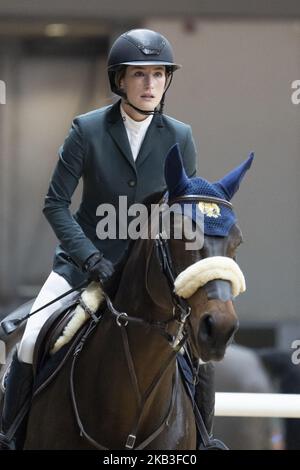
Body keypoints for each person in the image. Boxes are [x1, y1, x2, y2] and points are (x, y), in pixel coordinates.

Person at [0, 28, 214, 449]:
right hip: (84, 269)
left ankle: (205, 441)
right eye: (139, 74)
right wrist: (89, 257)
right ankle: (10, 437)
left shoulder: (180, 136)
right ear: (120, 80)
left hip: (152, 279)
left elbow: (183, 214)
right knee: (30, 339)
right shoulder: (87, 129)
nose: (150, 84)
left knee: (199, 353)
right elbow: (55, 204)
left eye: (158, 74)